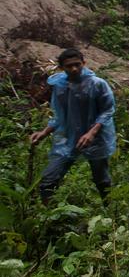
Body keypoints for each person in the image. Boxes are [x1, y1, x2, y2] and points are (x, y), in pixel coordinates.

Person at [29, 48, 116, 204]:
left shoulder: (97, 84)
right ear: (62, 67)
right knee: (48, 181)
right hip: (69, 138)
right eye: (69, 66)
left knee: (102, 180)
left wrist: (91, 133)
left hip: (96, 139)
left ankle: (110, 212)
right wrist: (44, 132)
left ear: (84, 63)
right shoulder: (61, 87)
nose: (74, 69)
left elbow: (107, 110)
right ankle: (51, 219)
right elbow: (60, 116)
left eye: (77, 64)